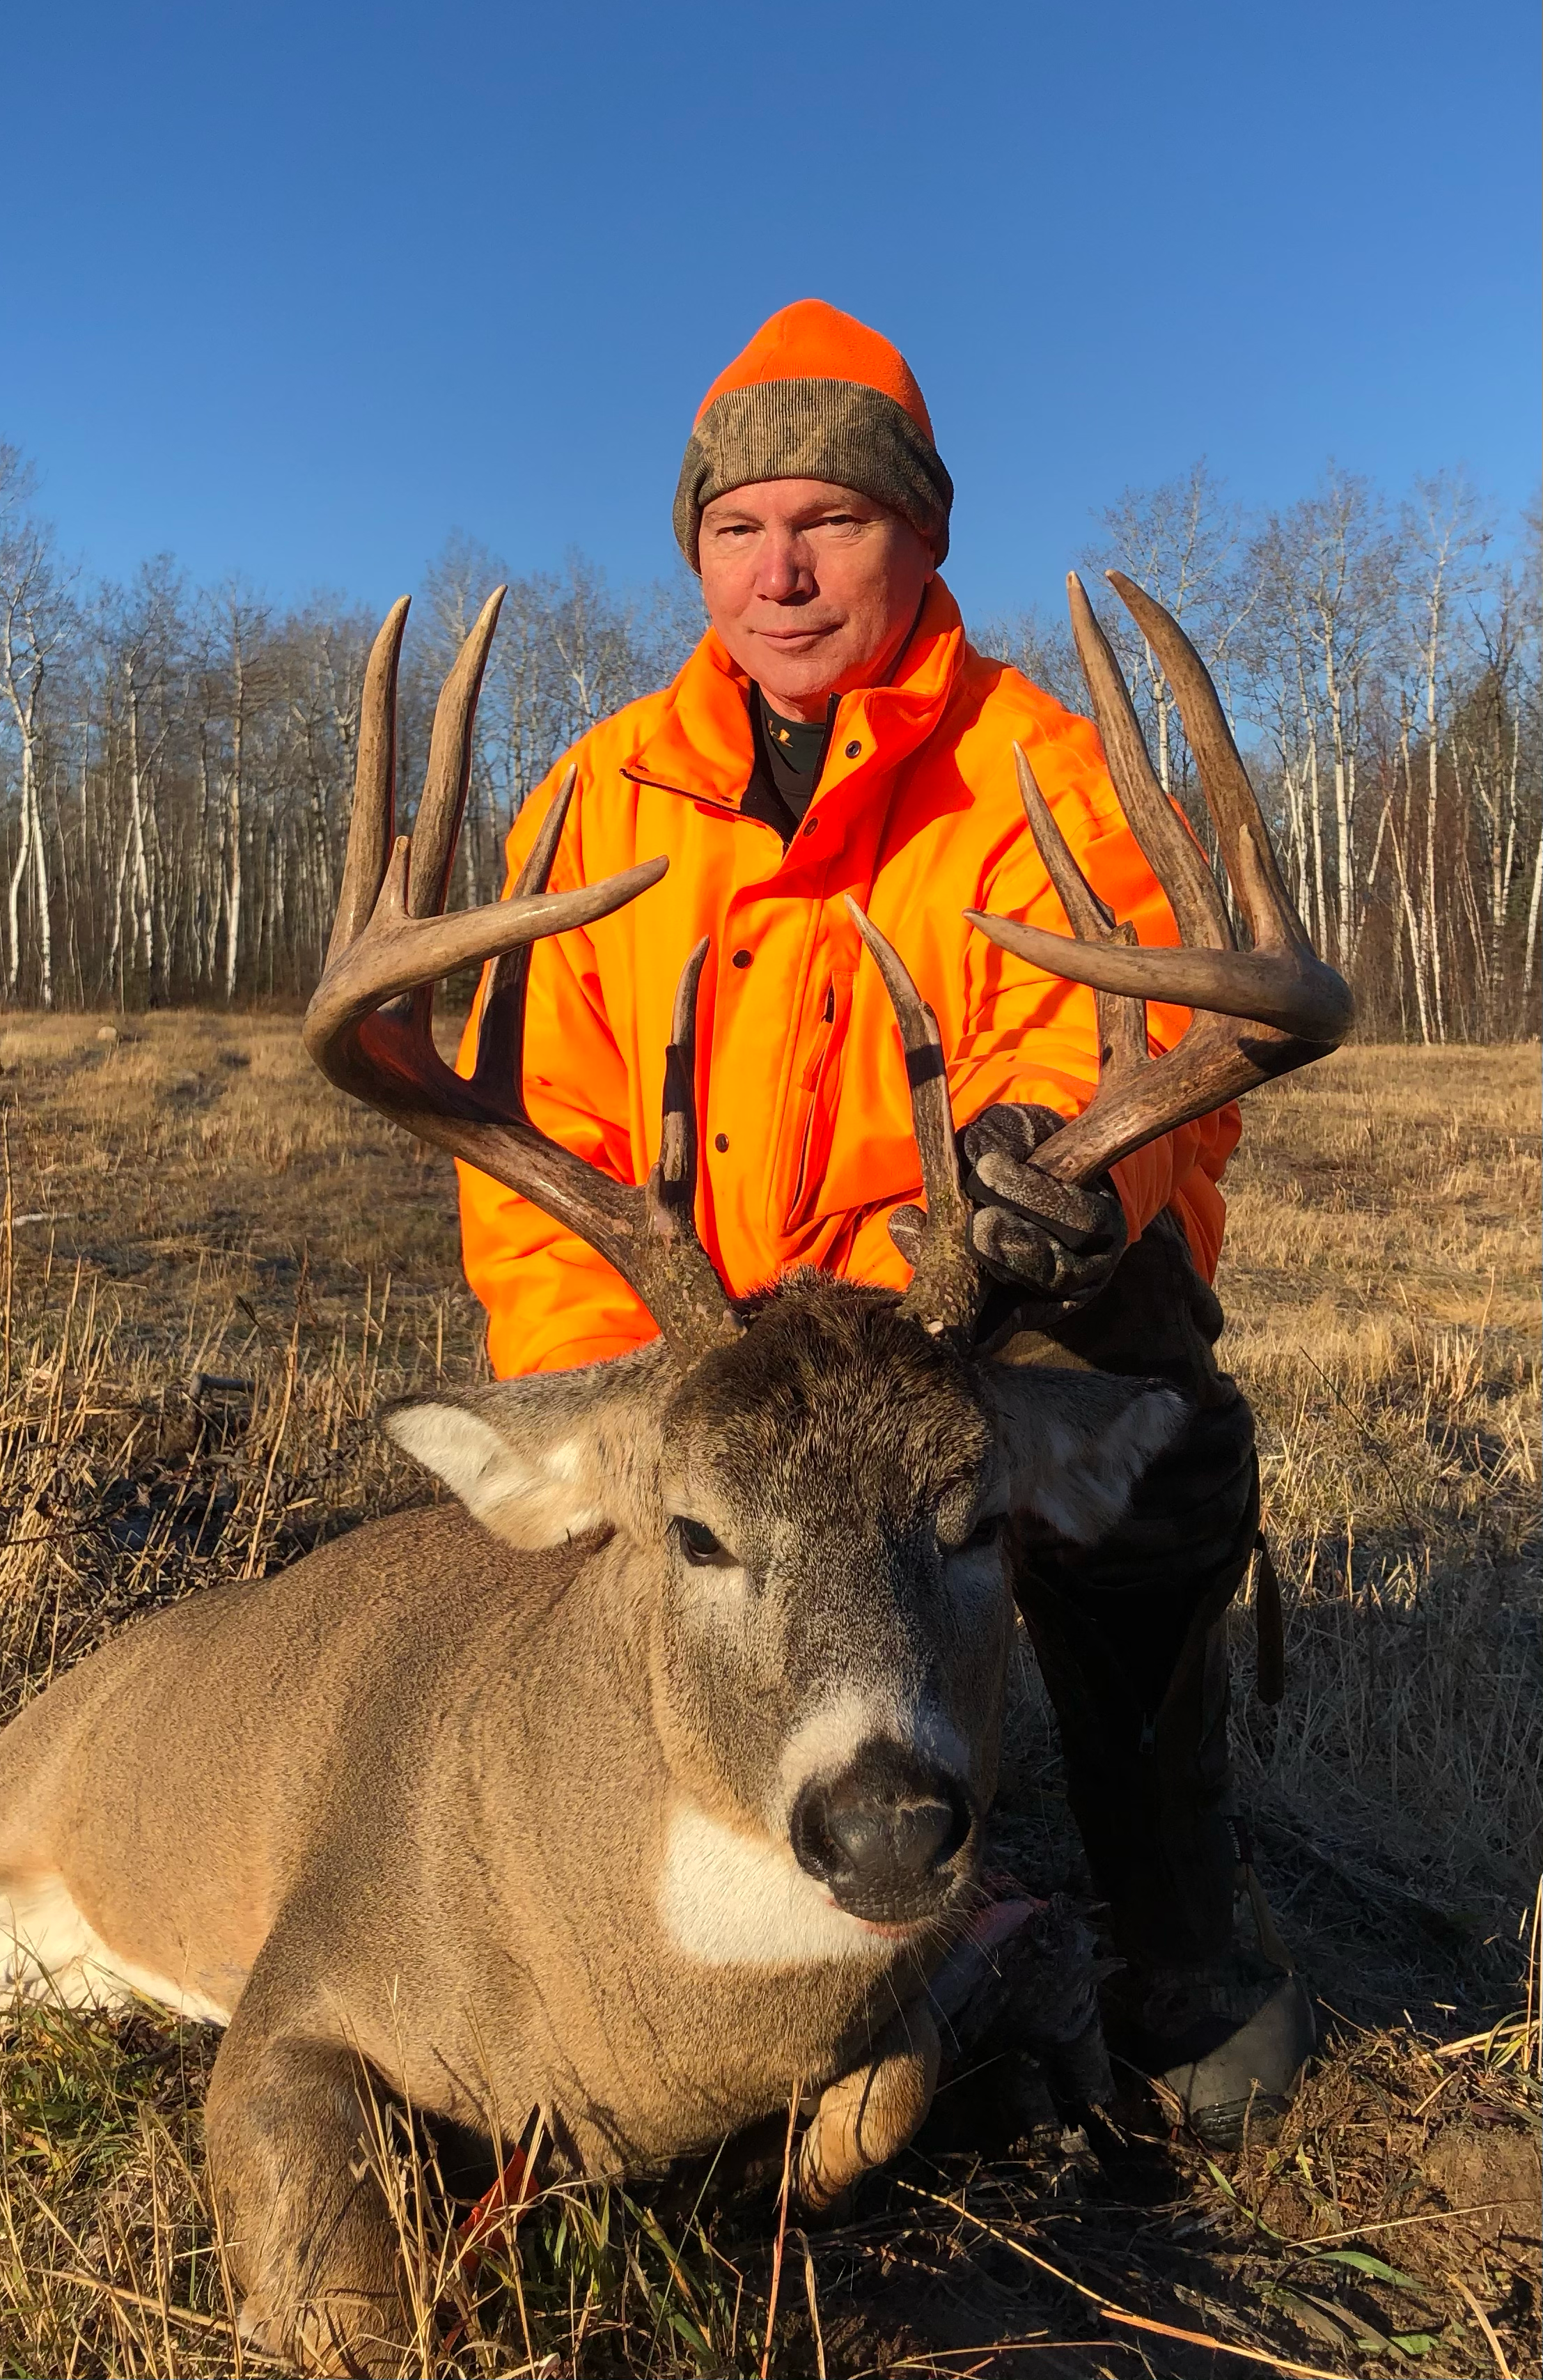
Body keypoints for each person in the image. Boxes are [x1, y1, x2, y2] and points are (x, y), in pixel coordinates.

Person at [456, 298, 1315, 2143]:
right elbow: (530, 1152)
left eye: (828, 521)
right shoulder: (597, 796)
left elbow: (1151, 1047)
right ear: (695, 551)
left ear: (921, 536)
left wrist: (1063, 1184)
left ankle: (1162, 1907)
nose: (780, 570)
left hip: (951, 1330)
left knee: (1136, 1378)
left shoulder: (1040, 770)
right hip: (709, 1358)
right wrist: (596, 1403)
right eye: (737, 526)